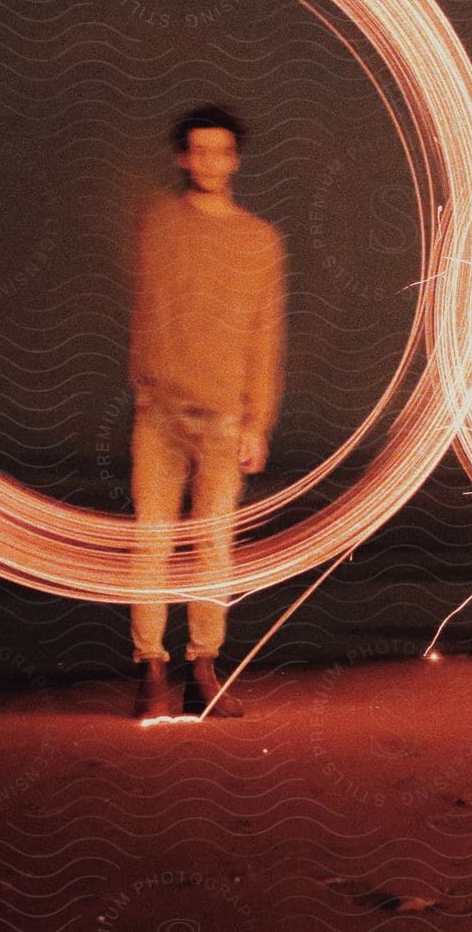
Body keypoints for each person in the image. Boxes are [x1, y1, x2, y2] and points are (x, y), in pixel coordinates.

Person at [125, 105, 286, 719]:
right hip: (160, 413)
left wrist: (257, 422)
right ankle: (151, 671)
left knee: (214, 548)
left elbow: (265, 335)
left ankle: (202, 669)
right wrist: (145, 380)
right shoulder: (159, 222)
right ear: (182, 158)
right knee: (152, 545)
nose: (211, 161)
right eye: (200, 150)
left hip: (224, 418)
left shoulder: (259, 240)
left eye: (222, 151)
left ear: (235, 160)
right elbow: (150, 305)